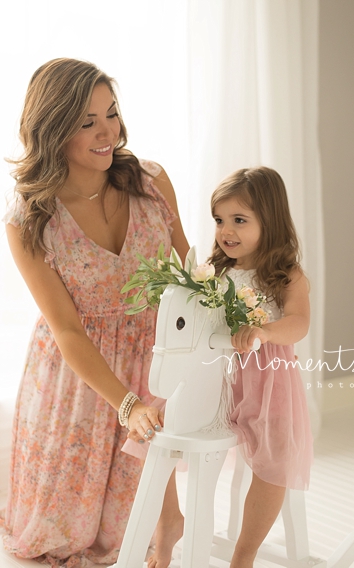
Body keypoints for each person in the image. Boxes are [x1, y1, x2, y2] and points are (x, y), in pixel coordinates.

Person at [2, 58, 188, 567]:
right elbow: (65, 329)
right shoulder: (30, 219)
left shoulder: (151, 183)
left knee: (134, 529)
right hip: (77, 380)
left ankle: (171, 518)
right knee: (62, 538)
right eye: (87, 122)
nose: (109, 131)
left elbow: (190, 274)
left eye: (111, 113)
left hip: (151, 357)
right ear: (53, 129)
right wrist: (127, 405)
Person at [208, 166, 313, 567]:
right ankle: (171, 527)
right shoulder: (214, 273)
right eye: (219, 220)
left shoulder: (285, 275)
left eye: (239, 220)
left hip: (267, 382)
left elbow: (299, 323)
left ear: (268, 222)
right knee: (159, 437)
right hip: (217, 377)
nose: (226, 230)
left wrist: (264, 332)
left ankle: (244, 552)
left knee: (277, 458)